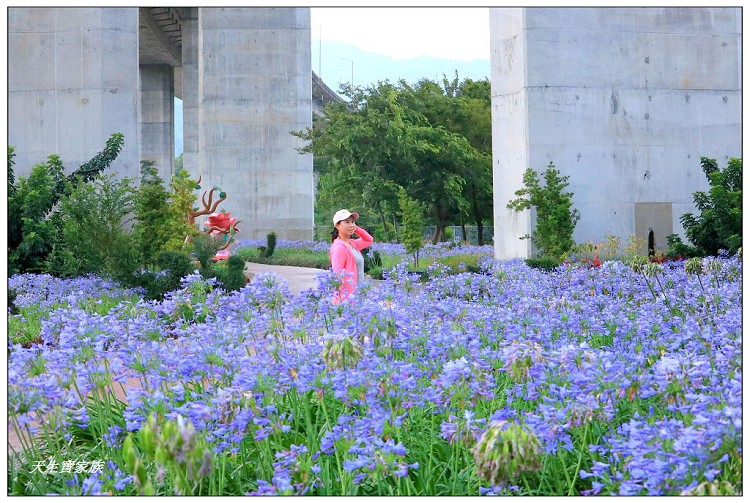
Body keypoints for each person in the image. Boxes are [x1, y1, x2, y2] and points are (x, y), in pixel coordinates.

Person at [329, 209, 374, 303]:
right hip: (347, 299)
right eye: (347, 222)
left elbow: (369, 240)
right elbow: (337, 276)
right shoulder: (339, 248)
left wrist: (355, 228)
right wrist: (342, 299)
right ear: (337, 225)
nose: (351, 225)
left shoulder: (352, 244)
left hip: (358, 295)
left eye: (353, 222)